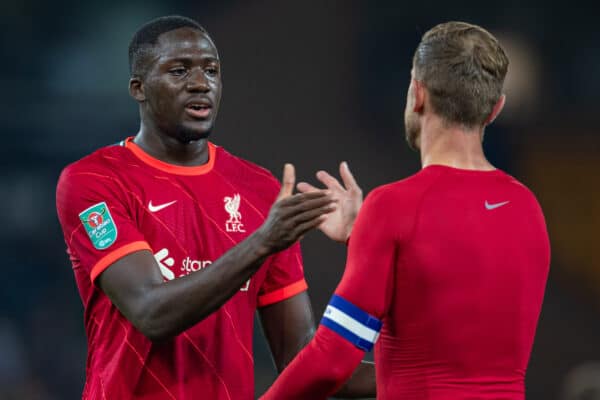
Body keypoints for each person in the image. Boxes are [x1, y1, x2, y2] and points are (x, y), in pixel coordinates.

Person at [55, 15, 375, 400]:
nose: (200, 83)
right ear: (138, 88)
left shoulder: (259, 191)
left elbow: (303, 360)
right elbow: (151, 312)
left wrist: (434, 371)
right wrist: (261, 243)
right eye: (179, 70)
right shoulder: (95, 180)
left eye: (211, 70)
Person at [261, 21, 550, 399]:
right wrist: (361, 237)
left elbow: (332, 359)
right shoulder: (526, 207)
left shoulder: (395, 207)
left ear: (417, 94)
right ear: (495, 109)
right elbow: (453, 319)